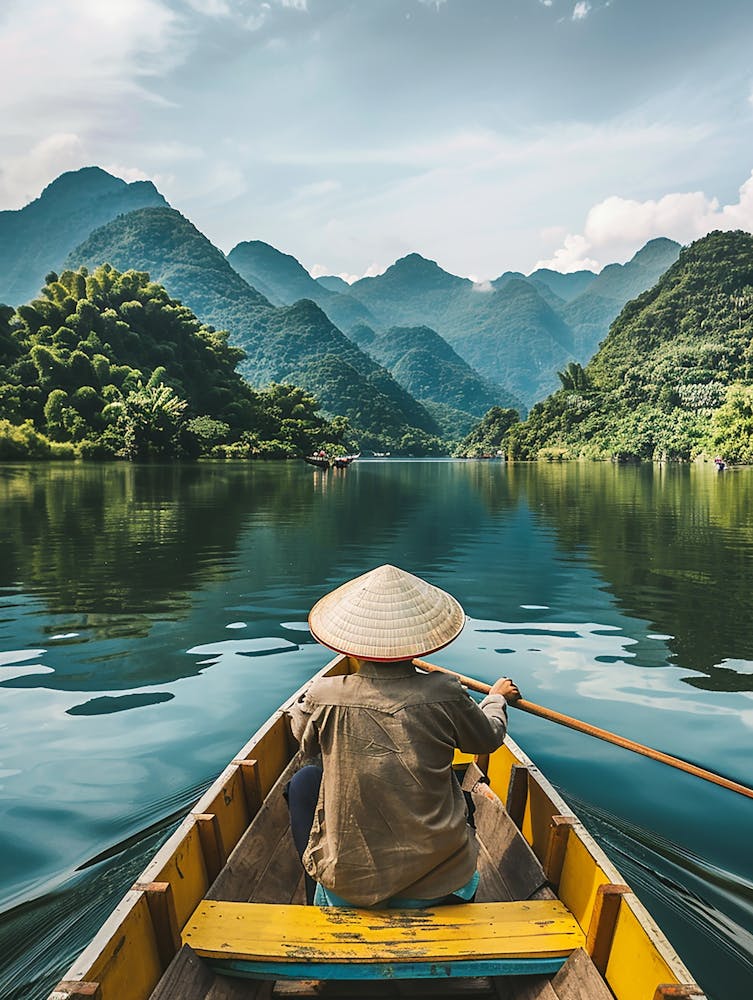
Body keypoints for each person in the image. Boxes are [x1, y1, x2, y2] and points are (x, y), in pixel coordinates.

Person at [286, 564, 521, 909]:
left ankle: (316, 901)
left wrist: (306, 702)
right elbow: (488, 739)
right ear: (417, 643)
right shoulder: (445, 691)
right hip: (442, 888)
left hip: (347, 892)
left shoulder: (325, 695)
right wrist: (496, 699)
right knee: (456, 791)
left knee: (305, 780)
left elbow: (303, 743)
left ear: (353, 644)